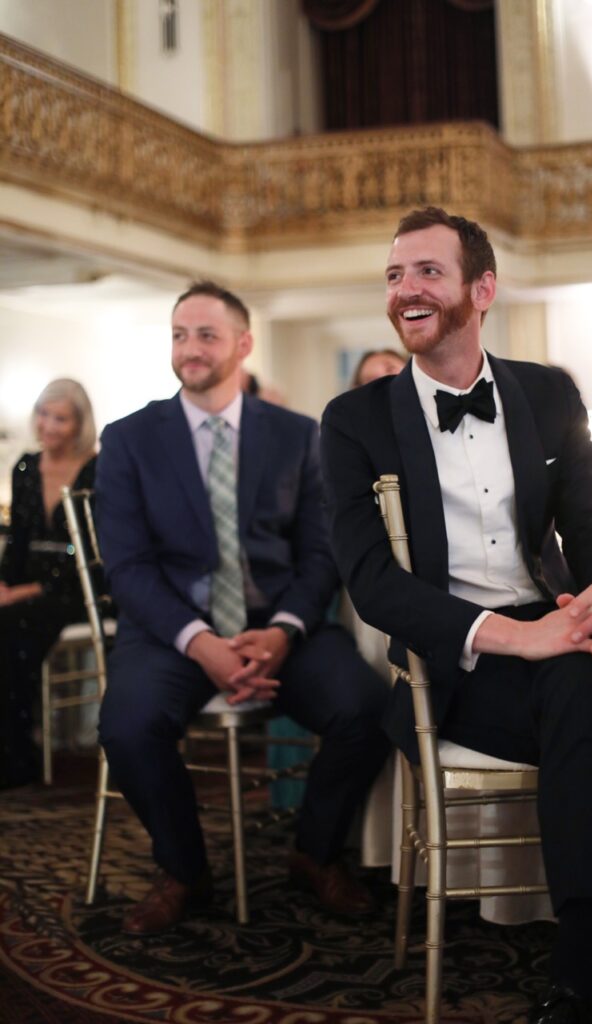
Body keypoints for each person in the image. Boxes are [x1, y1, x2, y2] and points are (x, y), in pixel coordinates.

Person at [320, 207, 592, 1023]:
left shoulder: (548, 392)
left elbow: (591, 523)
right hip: (456, 666)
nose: (405, 290)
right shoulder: (355, 421)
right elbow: (372, 581)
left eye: (426, 272)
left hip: (556, 639)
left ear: (482, 289)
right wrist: (522, 637)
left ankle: (574, 978)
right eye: (393, 275)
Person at [95, 281, 390, 935]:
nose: (190, 349)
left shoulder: (297, 435)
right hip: (172, 631)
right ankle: (183, 870)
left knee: (369, 709)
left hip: (280, 626)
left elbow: (320, 553)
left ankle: (314, 854)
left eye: (206, 334)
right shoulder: (129, 439)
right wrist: (202, 642)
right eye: (179, 334)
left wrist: (283, 632)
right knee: (125, 724)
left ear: (243, 344)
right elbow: (129, 567)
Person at [0, 378, 97, 788]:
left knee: (11, 628)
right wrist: (6, 584)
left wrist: (25, 591)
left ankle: (17, 754)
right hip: (28, 585)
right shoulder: (25, 466)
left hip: (80, 587)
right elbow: (18, 538)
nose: (48, 425)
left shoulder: (97, 469)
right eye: (43, 414)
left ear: (79, 425)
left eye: (60, 418)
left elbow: (91, 551)